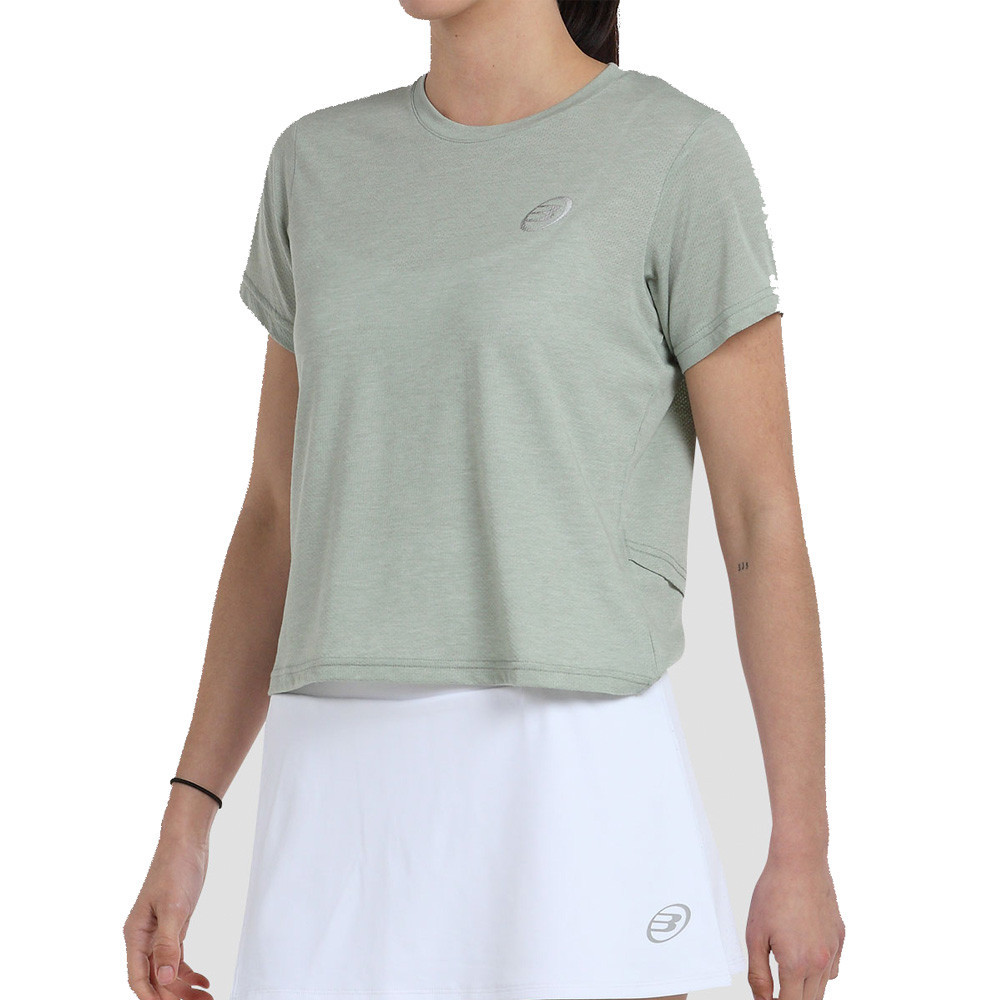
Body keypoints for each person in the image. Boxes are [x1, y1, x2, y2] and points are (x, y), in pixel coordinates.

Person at [123, 2, 846, 999]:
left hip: (573, 764)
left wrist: (799, 845)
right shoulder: (315, 164)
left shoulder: (674, 152)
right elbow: (275, 518)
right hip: (337, 785)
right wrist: (189, 817)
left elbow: (758, 515)